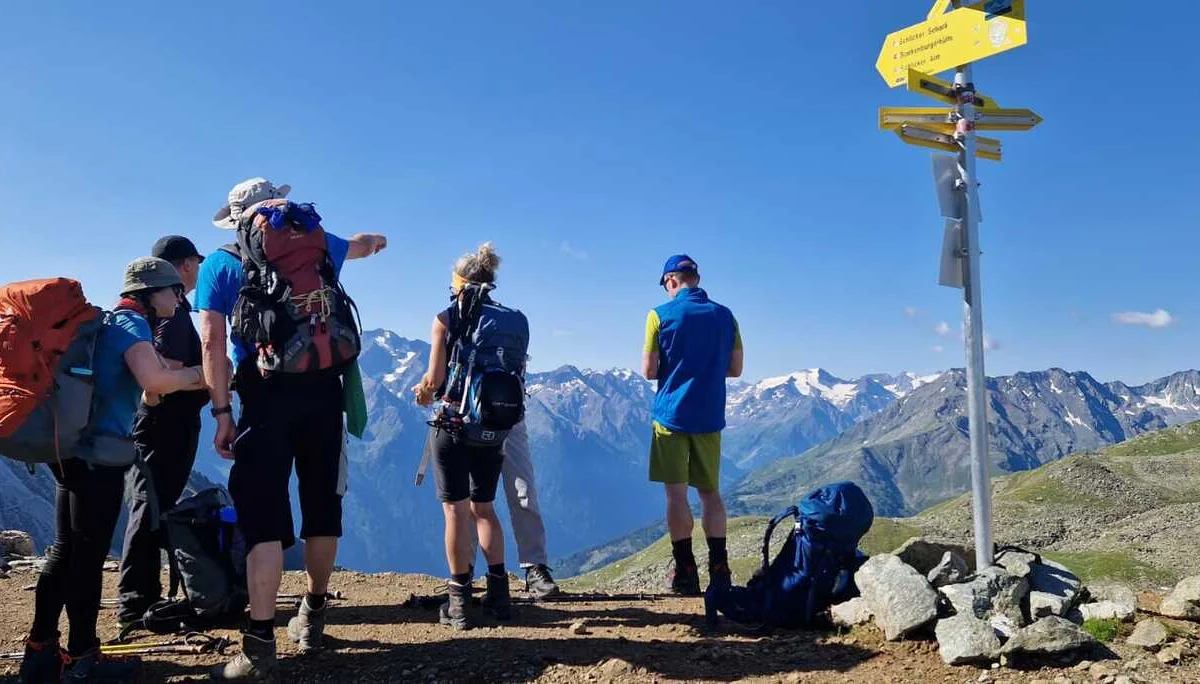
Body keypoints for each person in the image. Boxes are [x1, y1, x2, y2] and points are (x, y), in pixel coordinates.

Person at [198, 178, 386, 681]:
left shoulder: (220, 263)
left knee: (262, 517)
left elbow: (213, 345)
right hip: (324, 391)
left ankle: (259, 648)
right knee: (322, 504)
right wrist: (376, 241)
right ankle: (314, 613)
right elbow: (368, 245)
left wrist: (222, 414)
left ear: (237, 218)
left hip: (263, 396)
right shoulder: (320, 244)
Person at [20, 258, 207, 683]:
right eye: (173, 290)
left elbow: (146, 373)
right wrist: (203, 375)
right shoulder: (134, 325)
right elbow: (153, 381)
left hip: (67, 449)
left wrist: (174, 373)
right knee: (86, 557)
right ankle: (84, 660)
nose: (180, 298)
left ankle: (40, 652)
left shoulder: (110, 323)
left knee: (64, 550)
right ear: (150, 293)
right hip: (99, 457)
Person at [413, 243, 528, 630]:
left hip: (454, 425)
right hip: (494, 428)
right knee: (485, 507)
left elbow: (436, 380)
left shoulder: (447, 318)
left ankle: (459, 602)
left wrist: (423, 393)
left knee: (455, 511)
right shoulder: (516, 321)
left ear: (459, 281)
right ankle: (499, 595)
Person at [117, 236, 211, 626]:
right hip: (161, 424)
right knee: (149, 504)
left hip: (169, 423)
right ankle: (134, 603)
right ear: (183, 265)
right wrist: (205, 377)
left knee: (157, 501)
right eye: (194, 263)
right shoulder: (168, 318)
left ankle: (148, 596)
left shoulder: (172, 312)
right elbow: (160, 371)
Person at [641, 254, 743, 596]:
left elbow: (650, 371)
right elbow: (736, 368)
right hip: (709, 415)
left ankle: (685, 572)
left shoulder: (659, 315)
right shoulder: (726, 316)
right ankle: (720, 570)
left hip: (671, 416)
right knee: (711, 494)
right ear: (695, 278)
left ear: (671, 280)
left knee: (676, 495)